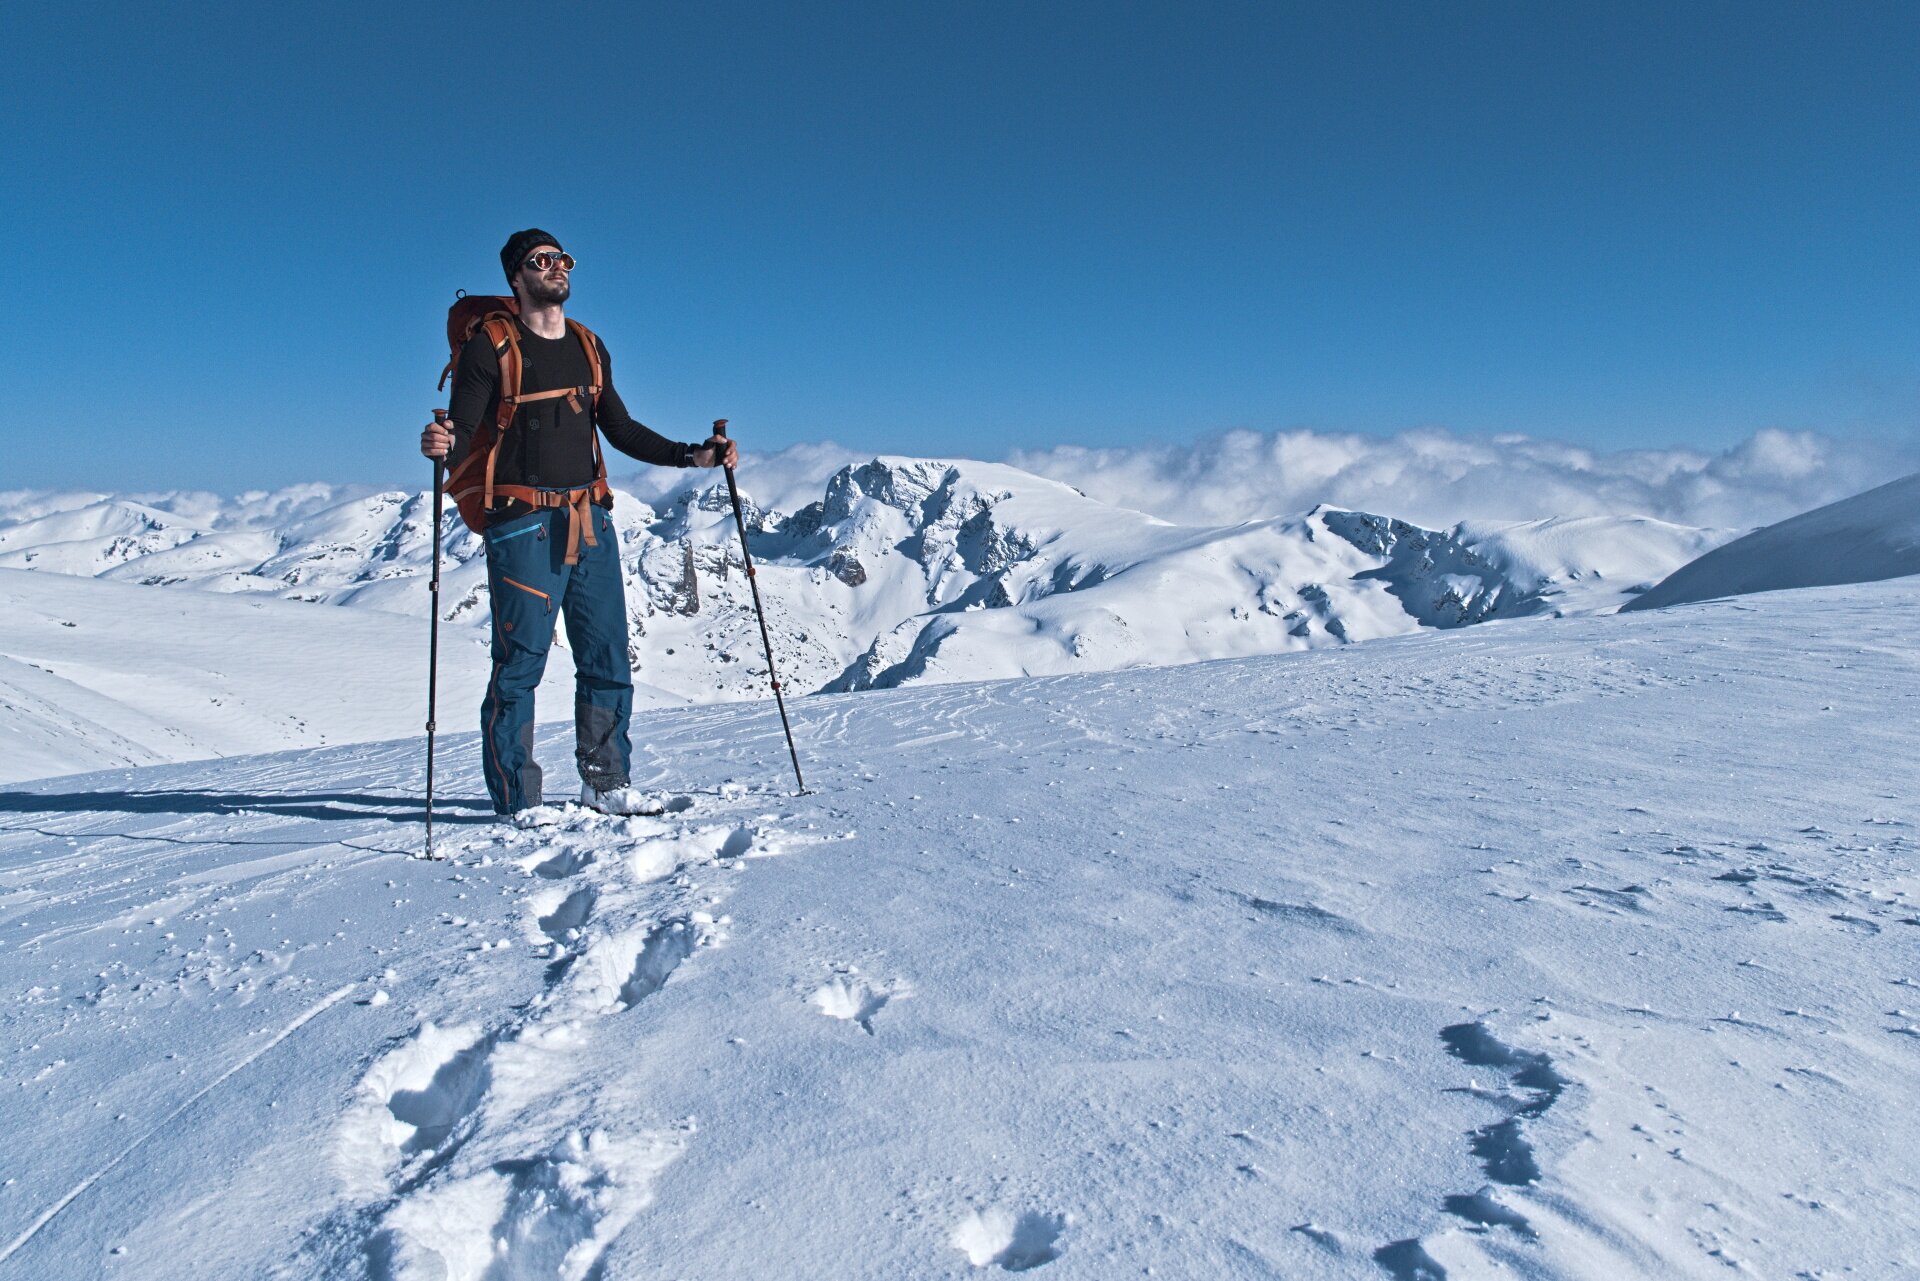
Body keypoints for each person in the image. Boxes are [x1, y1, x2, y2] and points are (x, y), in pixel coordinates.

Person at [420, 229, 737, 816]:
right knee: (520, 666)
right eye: (541, 262)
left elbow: (620, 428)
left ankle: (606, 783)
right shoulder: (492, 344)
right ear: (517, 278)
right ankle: (518, 801)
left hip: (590, 518)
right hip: (520, 525)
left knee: (607, 656)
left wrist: (692, 456)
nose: (556, 268)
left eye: (562, 259)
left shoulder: (589, 345)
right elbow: (464, 426)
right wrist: (443, 440)